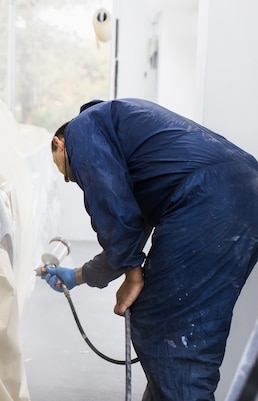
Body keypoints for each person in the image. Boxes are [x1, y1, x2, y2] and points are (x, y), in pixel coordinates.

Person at [43, 98, 258, 400]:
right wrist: (78, 276)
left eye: (65, 170)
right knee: (189, 327)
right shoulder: (129, 139)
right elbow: (128, 233)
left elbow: (112, 207)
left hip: (207, 199)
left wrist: (133, 277)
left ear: (59, 143)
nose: (70, 179)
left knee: (170, 327)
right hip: (242, 193)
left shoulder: (83, 128)